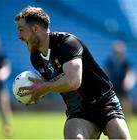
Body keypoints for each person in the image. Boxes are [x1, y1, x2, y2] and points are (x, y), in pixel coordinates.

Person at [14, 6, 131, 139]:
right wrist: (38, 92)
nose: (19, 36)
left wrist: (44, 86)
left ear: (35, 29)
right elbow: (55, 82)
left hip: (105, 103)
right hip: (79, 111)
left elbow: (73, 81)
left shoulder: (68, 44)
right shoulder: (35, 58)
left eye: (21, 30)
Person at [105, 41, 136, 121]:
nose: (117, 54)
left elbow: (130, 74)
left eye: (119, 52)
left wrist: (127, 82)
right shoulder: (110, 63)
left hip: (122, 88)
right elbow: (106, 73)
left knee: (126, 103)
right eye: (115, 52)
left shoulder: (126, 63)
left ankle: (126, 120)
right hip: (112, 86)